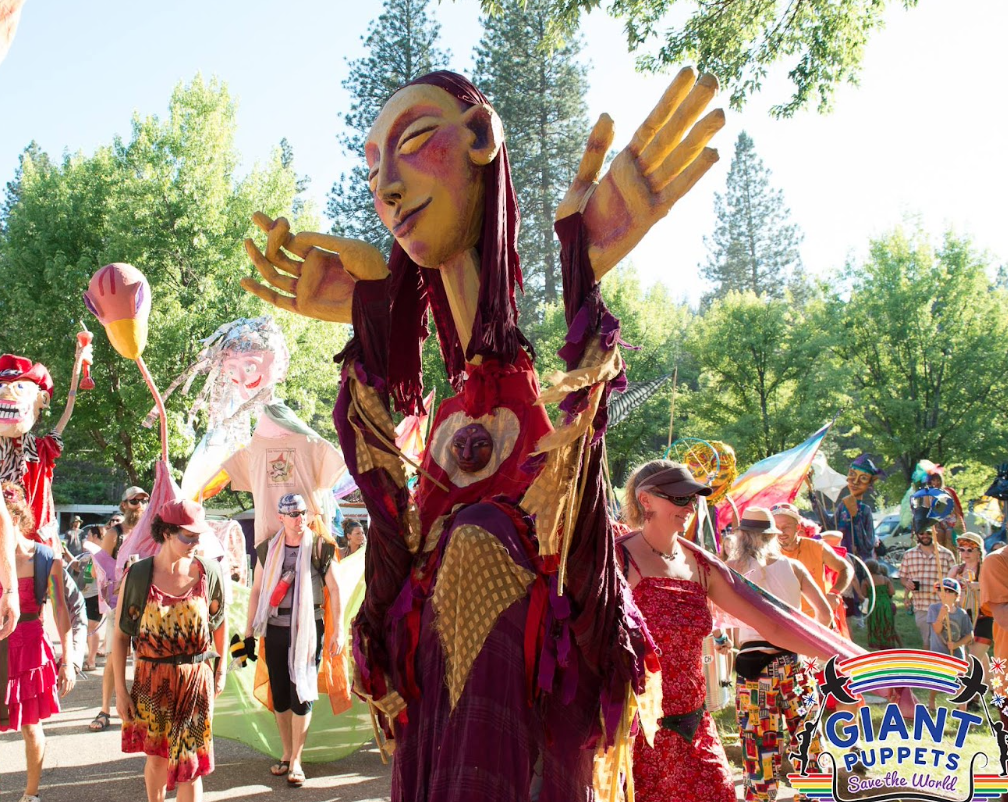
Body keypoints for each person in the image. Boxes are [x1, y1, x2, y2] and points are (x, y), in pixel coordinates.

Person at [111, 499, 226, 802]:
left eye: (198, 536)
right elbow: (121, 636)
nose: (194, 543)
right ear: (166, 533)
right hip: (152, 681)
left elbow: (220, 623)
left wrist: (221, 670)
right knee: (158, 759)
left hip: (196, 680)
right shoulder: (138, 576)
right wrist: (120, 691)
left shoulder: (209, 573)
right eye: (188, 536)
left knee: (191, 764)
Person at [726, 506, 832, 802]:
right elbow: (825, 613)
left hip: (753, 672)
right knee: (809, 733)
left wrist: (729, 640)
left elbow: (719, 620)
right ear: (772, 536)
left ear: (742, 537)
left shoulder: (731, 568)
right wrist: (813, 657)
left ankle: (760, 797)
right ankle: (815, 793)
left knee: (758, 743)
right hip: (797, 665)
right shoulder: (793, 567)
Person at [242, 493, 343, 787]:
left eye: (302, 513)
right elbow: (257, 591)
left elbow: (335, 590)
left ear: (308, 515)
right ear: (280, 518)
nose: (298, 519)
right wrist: (249, 632)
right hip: (275, 627)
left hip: (309, 627)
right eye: (292, 514)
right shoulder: (268, 549)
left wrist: (338, 631)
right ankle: (286, 754)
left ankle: (297, 759)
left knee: (303, 691)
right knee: (281, 693)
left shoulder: (321, 547)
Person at [0, 486, 76, 802]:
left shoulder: (46, 559)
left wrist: (68, 659)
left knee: (31, 728)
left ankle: (30, 795)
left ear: (16, 519)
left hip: (29, 652)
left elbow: (61, 610)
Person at [90, 485, 148, 732]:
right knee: (114, 658)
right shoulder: (115, 534)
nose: (139, 505)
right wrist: (114, 590)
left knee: (144, 658)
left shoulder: (150, 532)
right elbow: (100, 571)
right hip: (120, 605)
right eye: (133, 501)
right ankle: (105, 709)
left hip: (147, 604)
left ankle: (141, 708)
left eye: (143, 500)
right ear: (123, 505)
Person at [771, 502, 853, 631]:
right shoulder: (767, 555)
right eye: (776, 527)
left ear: (798, 528)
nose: (781, 532)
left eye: (786, 526)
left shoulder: (816, 547)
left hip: (820, 624)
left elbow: (845, 568)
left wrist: (834, 593)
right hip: (785, 625)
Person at [898, 525, 956, 648]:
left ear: (935, 533)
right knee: (927, 640)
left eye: (928, 533)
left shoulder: (946, 555)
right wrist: (907, 583)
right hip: (921, 605)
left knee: (943, 640)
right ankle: (930, 665)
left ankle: (942, 664)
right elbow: (902, 577)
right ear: (917, 534)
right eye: (921, 533)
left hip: (942, 605)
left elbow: (954, 581)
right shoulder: (909, 555)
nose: (925, 536)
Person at [857, 559, 902, 650]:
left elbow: (863, 595)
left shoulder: (866, 581)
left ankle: (879, 646)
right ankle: (894, 645)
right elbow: (892, 592)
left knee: (876, 625)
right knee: (888, 624)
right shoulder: (885, 579)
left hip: (874, 605)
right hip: (886, 604)